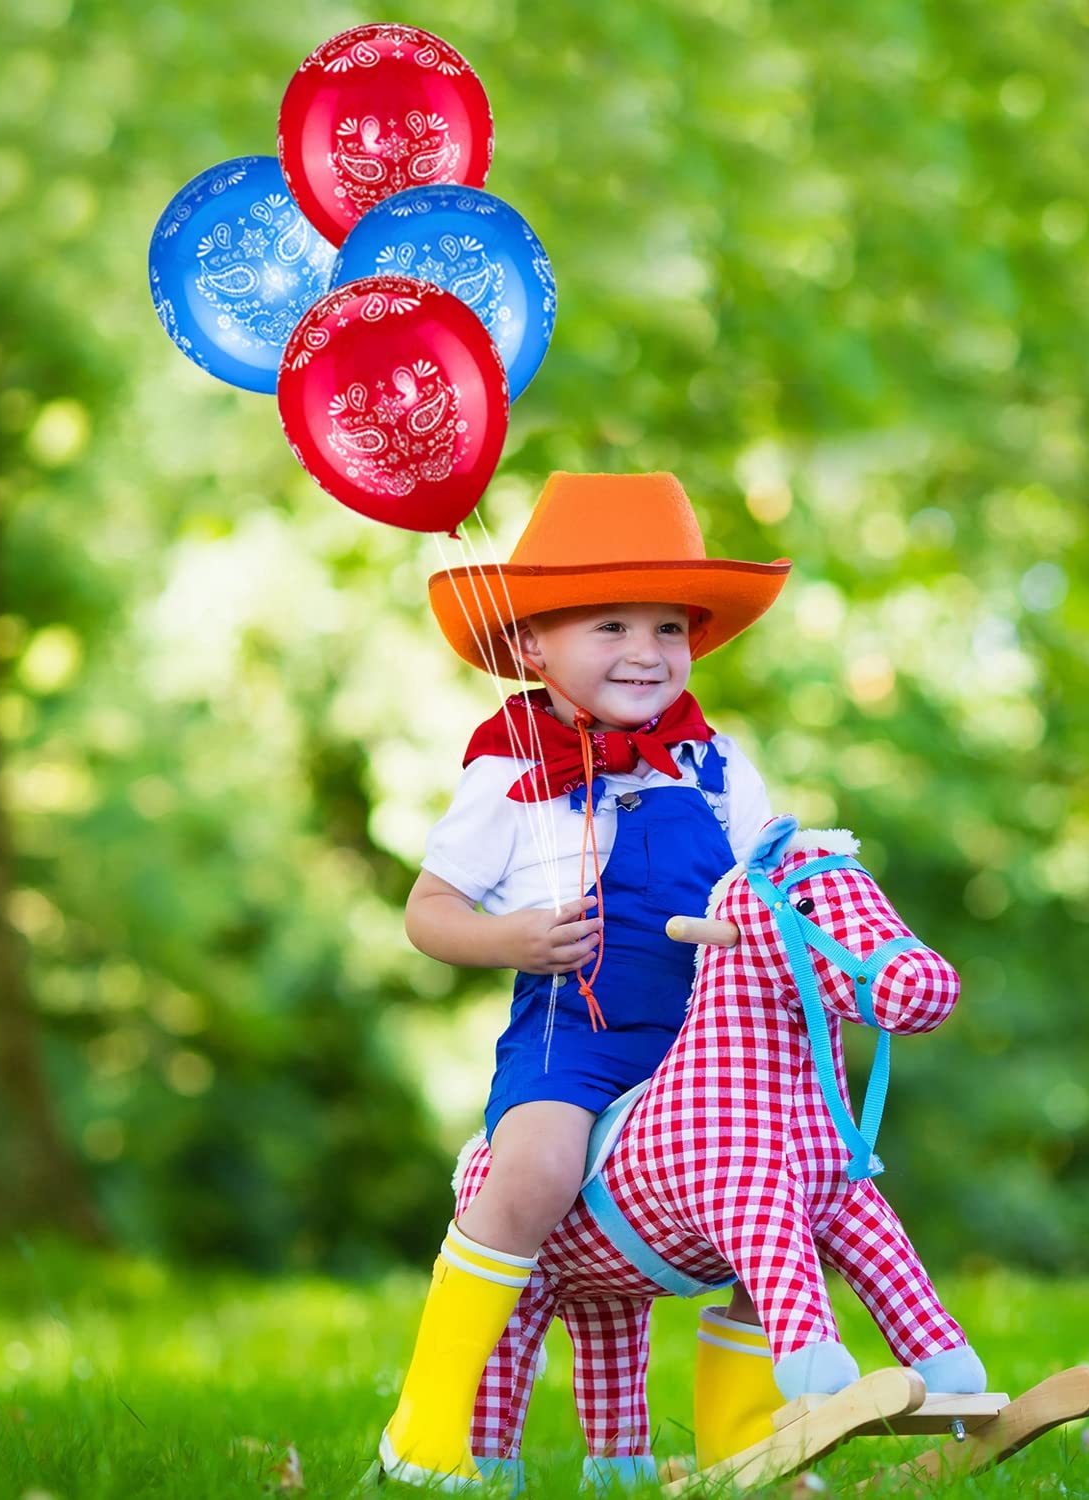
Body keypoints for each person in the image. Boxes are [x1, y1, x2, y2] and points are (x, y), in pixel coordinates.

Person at [379, 471, 793, 1487]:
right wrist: (512, 938)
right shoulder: (506, 776)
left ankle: (743, 1437)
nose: (647, 653)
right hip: (576, 1036)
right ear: (531, 645)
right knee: (537, 1168)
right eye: (611, 626)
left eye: (669, 628)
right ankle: (427, 1424)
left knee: (801, 1194)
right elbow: (426, 912)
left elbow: (783, 892)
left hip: (710, 1046)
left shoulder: (720, 769)